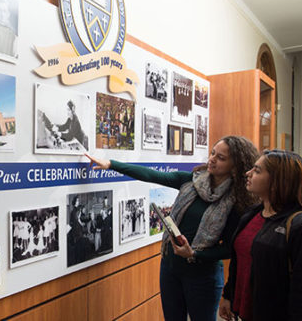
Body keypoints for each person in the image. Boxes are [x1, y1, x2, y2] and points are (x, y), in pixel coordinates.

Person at [86, 135, 260, 321]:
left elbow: (230, 248)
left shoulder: (237, 201)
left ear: (236, 166)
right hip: (170, 268)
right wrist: (111, 164)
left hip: (202, 277)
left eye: (221, 158)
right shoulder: (190, 180)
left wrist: (194, 254)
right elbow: (152, 175)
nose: (212, 159)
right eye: (212, 153)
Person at [219, 150, 302, 321]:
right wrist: (228, 295)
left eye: (257, 170)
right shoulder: (252, 214)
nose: (248, 173)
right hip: (246, 311)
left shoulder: (301, 224)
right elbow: (239, 262)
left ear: (277, 181)